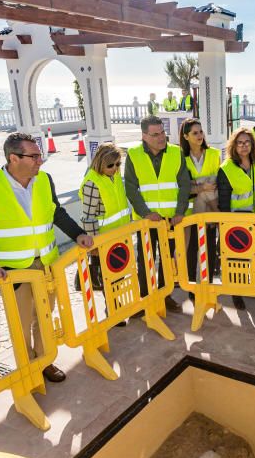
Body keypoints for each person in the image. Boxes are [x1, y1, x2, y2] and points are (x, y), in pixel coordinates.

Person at [0, 133, 94, 383]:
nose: (40, 161)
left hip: (46, 264)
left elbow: (56, 213)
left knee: (44, 317)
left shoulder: (44, 180)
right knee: (21, 323)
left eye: (39, 155)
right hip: (13, 271)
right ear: (13, 158)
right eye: (34, 156)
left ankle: (45, 361)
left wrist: (78, 234)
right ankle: (27, 370)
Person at [125, 115, 190, 312]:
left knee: (167, 260)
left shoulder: (176, 152)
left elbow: (184, 184)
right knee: (145, 261)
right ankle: (146, 298)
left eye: (162, 132)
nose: (161, 137)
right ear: (144, 136)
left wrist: (180, 212)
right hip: (146, 221)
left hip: (170, 220)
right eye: (155, 134)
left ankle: (164, 295)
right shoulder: (134, 154)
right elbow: (130, 187)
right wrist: (145, 213)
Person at [218, 128, 255, 310]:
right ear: (234, 146)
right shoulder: (226, 169)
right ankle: (236, 293)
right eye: (240, 142)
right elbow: (224, 201)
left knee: (254, 256)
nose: (244, 145)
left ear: (253, 144)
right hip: (237, 224)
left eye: (247, 142)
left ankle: (250, 286)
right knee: (237, 259)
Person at [79, 143, 131, 294]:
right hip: (104, 240)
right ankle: (113, 310)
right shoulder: (92, 182)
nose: (115, 168)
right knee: (108, 279)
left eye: (118, 164)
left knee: (120, 274)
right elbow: (88, 217)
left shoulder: (113, 176)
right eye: (110, 165)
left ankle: (120, 306)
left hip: (120, 237)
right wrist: (94, 245)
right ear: (100, 162)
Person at [181, 118, 221, 298]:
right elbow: (183, 187)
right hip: (191, 213)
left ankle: (209, 283)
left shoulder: (213, 154)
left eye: (200, 132)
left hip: (211, 209)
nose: (199, 135)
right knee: (192, 249)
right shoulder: (181, 159)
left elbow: (216, 183)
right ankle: (191, 287)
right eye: (195, 133)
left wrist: (198, 186)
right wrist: (201, 187)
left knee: (210, 248)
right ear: (186, 136)